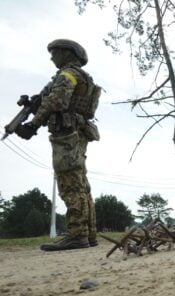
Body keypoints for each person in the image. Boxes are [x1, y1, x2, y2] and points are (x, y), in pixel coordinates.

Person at [15, 39, 100, 251]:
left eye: (55, 52)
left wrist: (33, 125)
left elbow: (57, 101)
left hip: (66, 135)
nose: (52, 57)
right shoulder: (82, 76)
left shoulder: (67, 75)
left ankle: (76, 235)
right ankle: (88, 234)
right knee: (80, 183)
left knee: (70, 183)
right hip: (78, 132)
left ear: (67, 53)